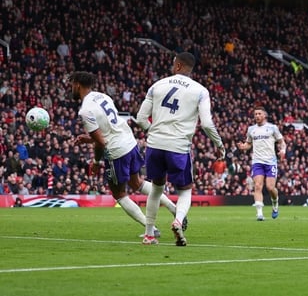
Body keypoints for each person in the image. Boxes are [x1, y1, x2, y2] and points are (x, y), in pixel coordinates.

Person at [69, 71, 180, 238]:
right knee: (137, 183)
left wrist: (97, 162)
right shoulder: (102, 96)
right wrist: (89, 138)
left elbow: (102, 142)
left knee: (119, 194)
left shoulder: (85, 111)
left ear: (77, 84)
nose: (71, 88)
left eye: (71, 85)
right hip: (129, 141)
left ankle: (151, 228)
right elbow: (107, 130)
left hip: (116, 151)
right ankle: (173, 208)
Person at [136, 52, 225, 246]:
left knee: (156, 189)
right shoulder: (200, 91)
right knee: (185, 191)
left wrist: (154, 132)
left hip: (155, 145)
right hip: (178, 146)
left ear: (177, 66)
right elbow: (207, 124)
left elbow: (140, 118)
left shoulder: (157, 85)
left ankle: (149, 234)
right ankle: (178, 220)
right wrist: (219, 144)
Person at [237, 106, 286, 221]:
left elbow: (282, 142)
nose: (257, 116)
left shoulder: (272, 128)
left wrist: (283, 150)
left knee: (270, 187)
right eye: (255, 114)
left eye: (259, 113)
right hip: (257, 161)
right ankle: (259, 213)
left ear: (264, 115)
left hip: (271, 162)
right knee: (258, 186)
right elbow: (249, 144)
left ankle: (275, 203)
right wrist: (244, 146)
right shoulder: (251, 129)